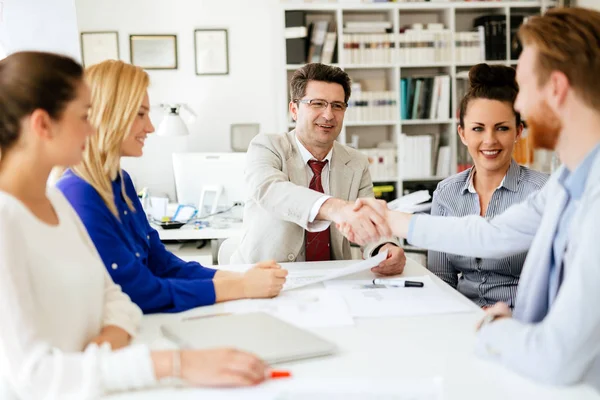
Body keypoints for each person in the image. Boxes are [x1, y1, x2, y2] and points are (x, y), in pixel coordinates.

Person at [343, 8, 600, 389]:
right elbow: (492, 234)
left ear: (557, 88)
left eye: (524, 88)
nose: (521, 107)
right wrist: (392, 219)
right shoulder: (569, 178)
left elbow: (555, 357)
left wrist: (494, 326)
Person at [0, 51, 268, 399]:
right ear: (42, 125)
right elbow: (35, 376)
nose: (94, 128)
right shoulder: (12, 219)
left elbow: (117, 300)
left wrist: (92, 361)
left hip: (98, 384)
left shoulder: (54, 203)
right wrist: (177, 364)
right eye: (84, 116)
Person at [55, 60, 287, 314]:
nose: (151, 127)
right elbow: (136, 291)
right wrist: (241, 287)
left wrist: (235, 278)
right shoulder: (78, 193)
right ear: (109, 115)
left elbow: (161, 263)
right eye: (141, 114)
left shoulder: (120, 181)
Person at [230, 63, 405, 276]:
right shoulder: (266, 146)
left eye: (337, 106)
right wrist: (336, 208)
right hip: (263, 276)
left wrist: (385, 248)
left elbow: (369, 223)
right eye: (318, 104)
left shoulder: (357, 162)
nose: (329, 115)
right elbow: (271, 191)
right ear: (294, 109)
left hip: (333, 279)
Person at [428, 63, 548, 308]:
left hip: (522, 322)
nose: (490, 140)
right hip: (462, 319)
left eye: (502, 128)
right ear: (462, 134)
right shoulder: (446, 193)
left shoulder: (543, 192)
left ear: (518, 131)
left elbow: (553, 283)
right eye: (478, 129)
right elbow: (441, 279)